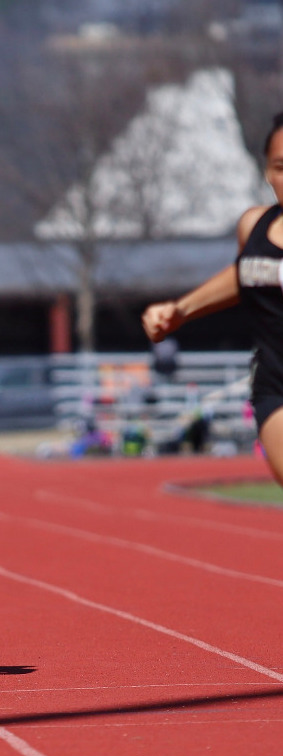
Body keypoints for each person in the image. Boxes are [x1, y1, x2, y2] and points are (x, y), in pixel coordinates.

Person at [143, 111, 283, 485]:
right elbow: (244, 277)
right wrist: (180, 310)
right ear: (268, 173)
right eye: (281, 167)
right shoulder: (255, 226)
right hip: (277, 382)